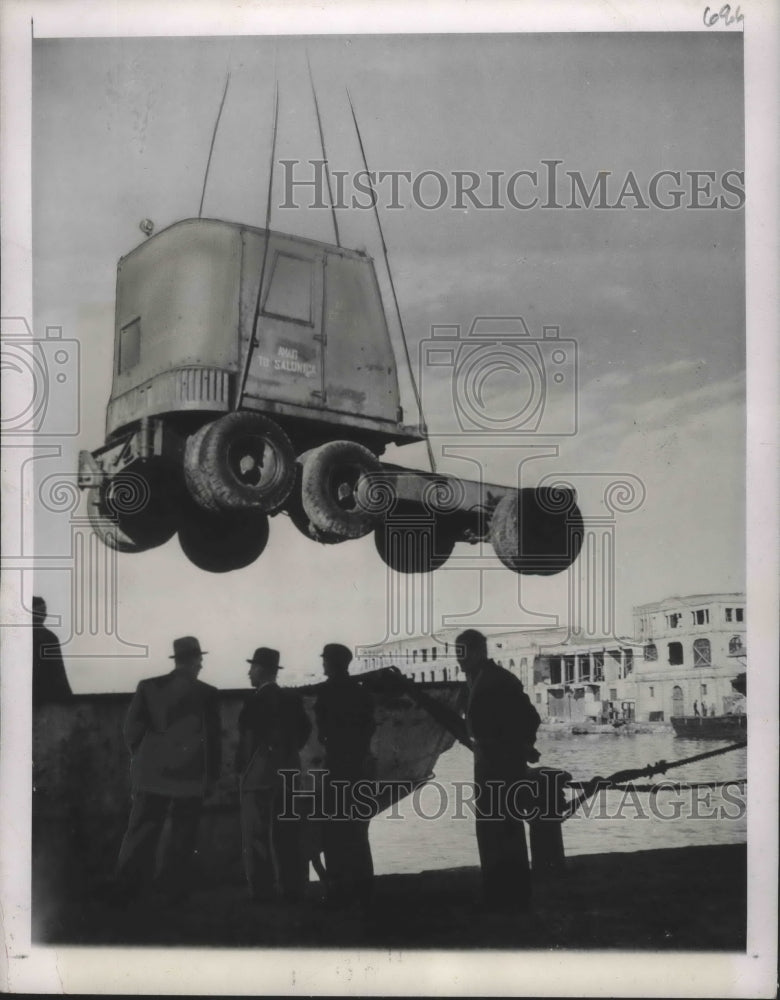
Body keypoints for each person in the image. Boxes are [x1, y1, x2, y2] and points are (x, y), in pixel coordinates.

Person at [112, 636, 221, 904]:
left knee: (141, 832)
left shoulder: (148, 687)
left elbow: (131, 731)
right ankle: (174, 892)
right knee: (183, 836)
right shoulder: (207, 693)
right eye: (200, 661)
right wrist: (211, 777)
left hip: (151, 774)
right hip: (191, 776)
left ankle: (127, 890)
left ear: (177, 660)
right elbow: (214, 741)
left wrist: (145, 758)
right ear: (196, 660)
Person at [456, 628, 541, 913]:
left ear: (481, 651)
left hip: (502, 766)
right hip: (487, 764)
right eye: (457, 653)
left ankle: (514, 895)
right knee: (491, 829)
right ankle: (498, 892)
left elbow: (530, 717)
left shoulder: (500, 680)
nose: (459, 659)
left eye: (464, 652)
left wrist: (520, 747)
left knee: (506, 829)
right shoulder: (475, 682)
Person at [236, 647, 312, 903]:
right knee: (288, 833)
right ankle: (294, 889)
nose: (249, 672)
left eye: (252, 667)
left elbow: (247, 742)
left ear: (261, 670)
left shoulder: (254, 702)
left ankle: (263, 892)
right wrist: (288, 752)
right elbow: (305, 730)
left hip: (259, 775)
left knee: (256, 836)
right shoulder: (292, 700)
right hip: (289, 772)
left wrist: (244, 770)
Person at [314, 642, 376, 909]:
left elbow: (322, 731)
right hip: (358, 769)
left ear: (333, 663)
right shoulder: (361, 693)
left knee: (334, 831)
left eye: (325, 660)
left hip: (336, 767)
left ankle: (338, 888)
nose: (323, 663)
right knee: (358, 831)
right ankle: (363, 887)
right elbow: (369, 727)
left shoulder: (326, 693)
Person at [32, 596, 72, 705]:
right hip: (47, 697)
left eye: (44, 611)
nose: (44, 615)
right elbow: (59, 672)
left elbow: (58, 671)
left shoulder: (49, 637)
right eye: (40, 612)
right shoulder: (49, 637)